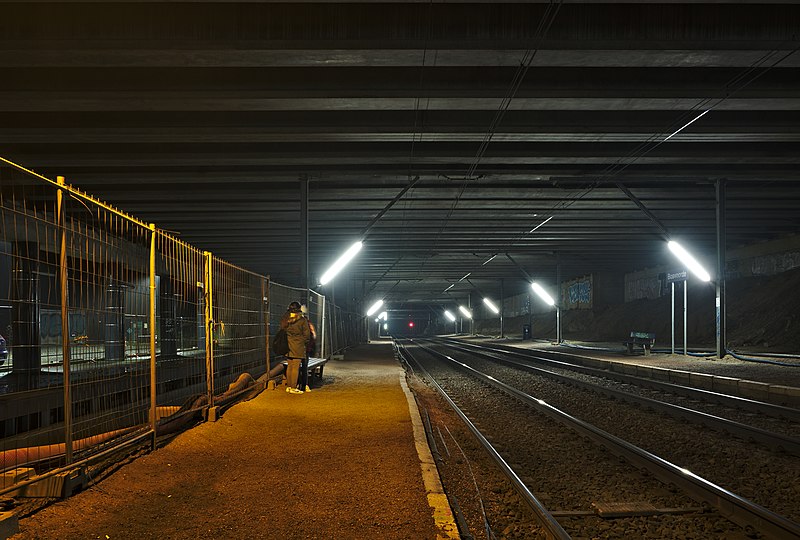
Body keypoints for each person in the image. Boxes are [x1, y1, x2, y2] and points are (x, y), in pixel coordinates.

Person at [280, 301, 310, 394]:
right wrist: (303, 341)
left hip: (288, 345)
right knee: (295, 367)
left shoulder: (285, 319)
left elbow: (282, 331)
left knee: (290, 366)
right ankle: (293, 387)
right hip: (298, 346)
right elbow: (307, 335)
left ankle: (289, 386)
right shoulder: (302, 320)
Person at [299, 305, 317, 393]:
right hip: (305, 348)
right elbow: (313, 335)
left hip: (295, 348)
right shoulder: (307, 322)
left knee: (296, 366)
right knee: (304, 367)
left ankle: (297, 384)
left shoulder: (291, 321)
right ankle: (304, 385)